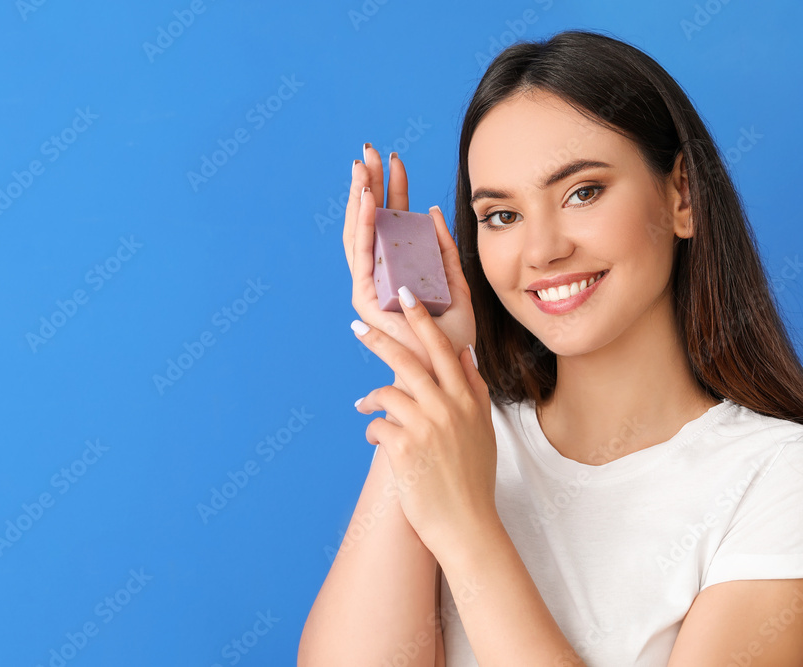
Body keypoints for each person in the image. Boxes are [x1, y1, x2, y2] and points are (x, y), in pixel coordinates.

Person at [298, 29, 803, 666]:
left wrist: (467, 527)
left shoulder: (780, 478)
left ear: (683, 196)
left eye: (582, 192)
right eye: (501, 216)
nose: (540, 252)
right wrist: (430, 371)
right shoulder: (465, 433)